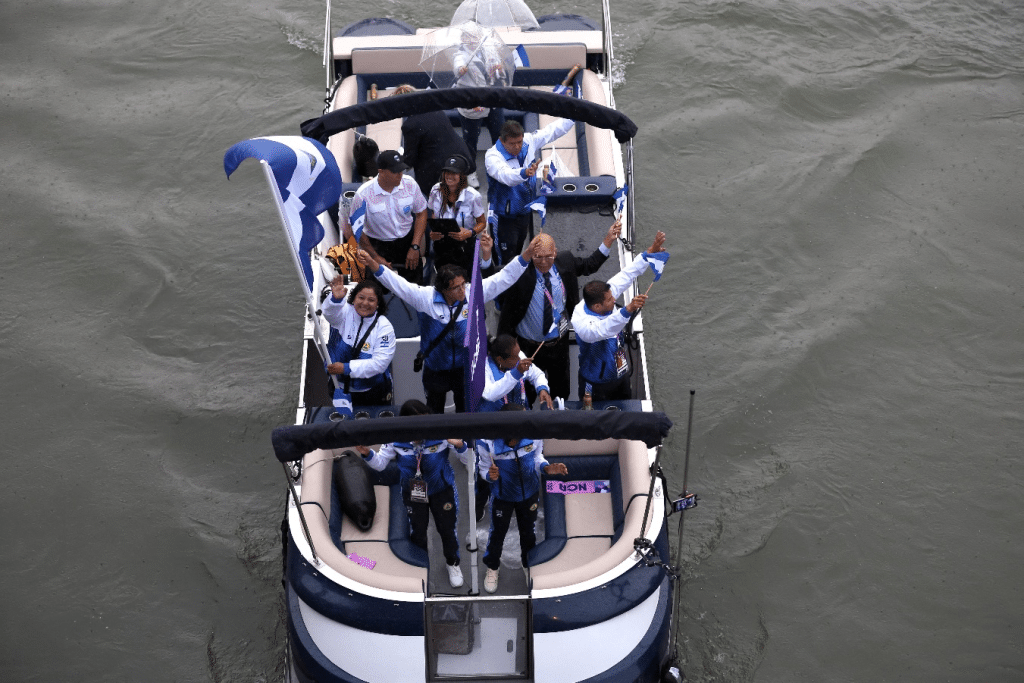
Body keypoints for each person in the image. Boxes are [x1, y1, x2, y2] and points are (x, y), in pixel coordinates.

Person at [355, 237, 535, 414]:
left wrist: (526, 254)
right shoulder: (424, 298)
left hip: (464, 369)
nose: (462, 290)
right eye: (456, 287)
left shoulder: (471, 293)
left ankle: (464, 443)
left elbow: (504, 278)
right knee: (434, 414)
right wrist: (372, 263)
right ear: (443, 290)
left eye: (463, 284)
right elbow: (397, 284)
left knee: (465, 413)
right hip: (435, 369)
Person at [497, 220, 622, 401]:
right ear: (531, 254)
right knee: (528, 394)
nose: (543, 261)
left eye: (548, 256)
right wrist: (486, 257)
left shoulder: (566, 262)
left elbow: (590, 265)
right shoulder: (520, 271)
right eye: (538, 256)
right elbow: (495, 277)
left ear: (555, 252)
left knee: (561, 391)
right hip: (529, 347)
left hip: (559, 344)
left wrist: (609, 239)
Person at [355, 400, 469, 588]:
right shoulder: (394, 438)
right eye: (417, 424)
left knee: (447, 530)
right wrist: (368, 454)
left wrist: (460, 446)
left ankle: (453, 564)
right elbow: (381, 464)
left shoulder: (441, 433)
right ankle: (420, 567)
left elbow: (467, 460)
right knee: (418, 533)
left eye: (425, 422)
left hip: (442, 490)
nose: (423, 428)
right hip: (412, 493)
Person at [476, 404, 568, 593]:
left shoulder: (533, 434)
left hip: (529, 494)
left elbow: (537, 457)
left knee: (528, 533)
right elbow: (483, 468)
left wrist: (546, 468)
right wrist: (489, 476)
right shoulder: (487, 442)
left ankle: (528, 564)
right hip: (502, 497)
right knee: (497, 534)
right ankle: (493, 567)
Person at [572, 230, 668, 401]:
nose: (614, 300)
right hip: (595, 382)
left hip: (619, 374)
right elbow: (604, 329)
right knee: (594, 419)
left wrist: (649, 252)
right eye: (610, 300)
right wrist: (628, 309)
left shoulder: (604, 295)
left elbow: (627, 274)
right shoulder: (582, 323)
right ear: (597, 306)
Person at [485, 118, 576, 267]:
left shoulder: (528, 141)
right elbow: (506, 176)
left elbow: (551, 131)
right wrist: (524, 173)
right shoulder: (492, 157)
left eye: (519, 142)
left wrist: (573, 117)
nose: (517, 147)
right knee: (504, 261)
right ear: (502, 141)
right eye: (512, 144)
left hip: (524, 211)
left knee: (518, 250)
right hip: (503, 217)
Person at [347, 150, 428, 284]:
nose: (400, 175)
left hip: (407, 242)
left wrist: (415, 247)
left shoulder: (410, 184)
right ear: (381, 172)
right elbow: (356, 228)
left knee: (415, 287)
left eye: (401, 170)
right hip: (377, 245)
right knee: (374, 290)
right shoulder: (363, 194)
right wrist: (375, 257)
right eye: (395, 172)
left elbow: (421, 213)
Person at [322, 276, 396, 406]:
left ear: (378, 304)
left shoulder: (384, 327)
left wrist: (346, 368)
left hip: (373, 391)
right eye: (361, 297)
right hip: (338, 387)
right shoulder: (344, 312)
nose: (365, 303)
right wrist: (335, 299)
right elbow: (329, 314)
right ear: (354, 298)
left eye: (371, 300)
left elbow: (380, 364)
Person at [393, 84, 476, 198]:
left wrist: (398, 160)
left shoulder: (410, 125)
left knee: (438, 203)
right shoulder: (435, 108)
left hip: (437, 170)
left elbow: (409, 160)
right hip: (459, 158)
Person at [451, 35, 506, 189]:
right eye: (469, 37)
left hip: (492, 102)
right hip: (472, 105)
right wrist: (461, 70)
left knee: (499, 135)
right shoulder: (460, 56)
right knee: (470, 141)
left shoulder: (489, 49)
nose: (473, 39)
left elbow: (497, 73)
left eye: (475, 35)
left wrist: (498, 68)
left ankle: (499, 166)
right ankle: (470, 172)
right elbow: (457, 69)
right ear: (463, 39)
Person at [426, 154, 486, 273]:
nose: (449, 176)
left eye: (454, 173)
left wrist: (469, 233)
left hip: (464, 246)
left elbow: (482, 223)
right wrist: (433, 232)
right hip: (442, 246)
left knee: (464, 281)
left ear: (462, 176)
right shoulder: (435, 190)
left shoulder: (473, 196)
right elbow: (433, 214)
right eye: (447, 172)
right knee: (444, 280)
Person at [479, 334, 553, 412]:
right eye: (516, 357)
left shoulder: (517, 355)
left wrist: (542, 389)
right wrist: (516, 373)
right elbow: (489, 394)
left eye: (519, 353)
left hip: (521, 412)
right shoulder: (485, 368)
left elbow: (537, 374)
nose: (520, 358)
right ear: (500, 359)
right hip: (496, 418)